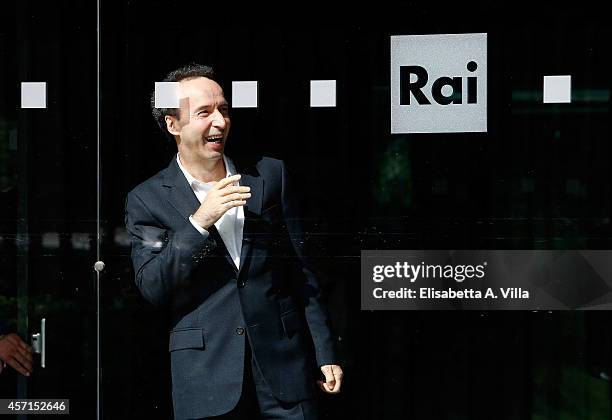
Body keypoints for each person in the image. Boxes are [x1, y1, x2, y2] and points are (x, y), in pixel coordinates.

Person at [125, 63, 343, 420]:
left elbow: (301, 270)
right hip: (207, 377)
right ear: (173, 125)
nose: (221, 122)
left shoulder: (269, 175)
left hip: (284, 370)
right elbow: (152, 285)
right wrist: (199, 223)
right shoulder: (147, 199)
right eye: (204, 113)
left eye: (224, 110)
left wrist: (325, 351)